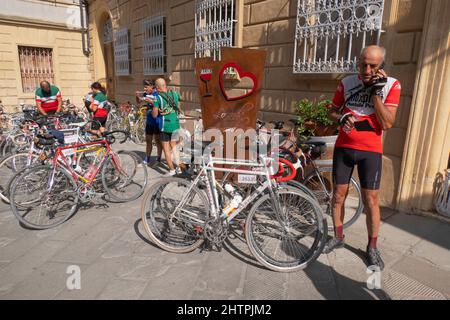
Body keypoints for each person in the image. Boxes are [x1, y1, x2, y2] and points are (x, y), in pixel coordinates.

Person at [325, 45, 402, 270]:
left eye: (373, 66)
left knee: (371, 201)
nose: (366, 70)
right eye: (363, 64)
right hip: (344, 147)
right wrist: (340, 118)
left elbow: (387, 123)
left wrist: (376, 93)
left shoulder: (392, 85)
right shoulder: (347, 83)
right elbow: (332, 110)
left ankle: (372, 247)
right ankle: (338, 236)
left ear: (382, 67)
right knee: (338, 196)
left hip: (370, 151)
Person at [152, 78, 181, 177]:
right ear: (165, 85)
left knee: (166, 149)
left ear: (157, 87)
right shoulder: (175, 94)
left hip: (165, 126)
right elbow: (178, 102)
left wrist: (155, 107)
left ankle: (172, 170)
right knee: (175, 147)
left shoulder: (157, 98)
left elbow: (154, 115)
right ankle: (179, 167)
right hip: (176, 124)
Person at [135, 79, 162, 165]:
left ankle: (158, 158)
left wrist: (151, 102)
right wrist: (137, 96)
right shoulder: (146, 94)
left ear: (152, 87)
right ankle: (147, 159)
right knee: (148, 140)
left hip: (157, 121)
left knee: (158, 141)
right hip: (149, 121)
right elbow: (139, 102)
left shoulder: (158, 94)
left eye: (146, 87)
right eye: (144, 87)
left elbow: (161, 108)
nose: (145, 88)